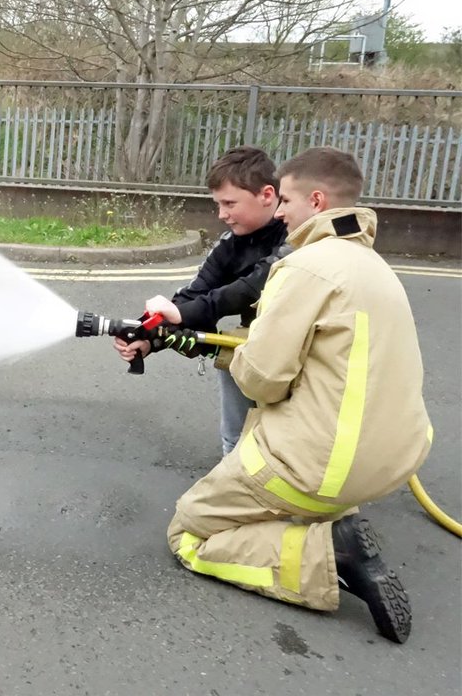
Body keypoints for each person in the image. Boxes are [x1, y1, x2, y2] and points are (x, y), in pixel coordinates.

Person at [166, 146, 433, 643]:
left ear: (316, 200)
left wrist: (224, 350)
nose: (280, 212)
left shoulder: (305, 267)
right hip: (389, 465)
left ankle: (329, 551)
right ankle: (330, 520)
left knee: (188, 532)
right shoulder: (376, 267)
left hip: (319, 468)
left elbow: (262, 380)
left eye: (286, 200)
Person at [114, 146, 287, 455]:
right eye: (218, 204)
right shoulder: (230, 244)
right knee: (236, 444)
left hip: (295, 357)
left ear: (266, 194)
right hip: (250, 352)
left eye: (229, 203)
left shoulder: (296, 235)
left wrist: (181, 315)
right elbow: (194, 294)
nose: (221, 214)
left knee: (284, 448)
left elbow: (253, 287)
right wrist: (149, 336)